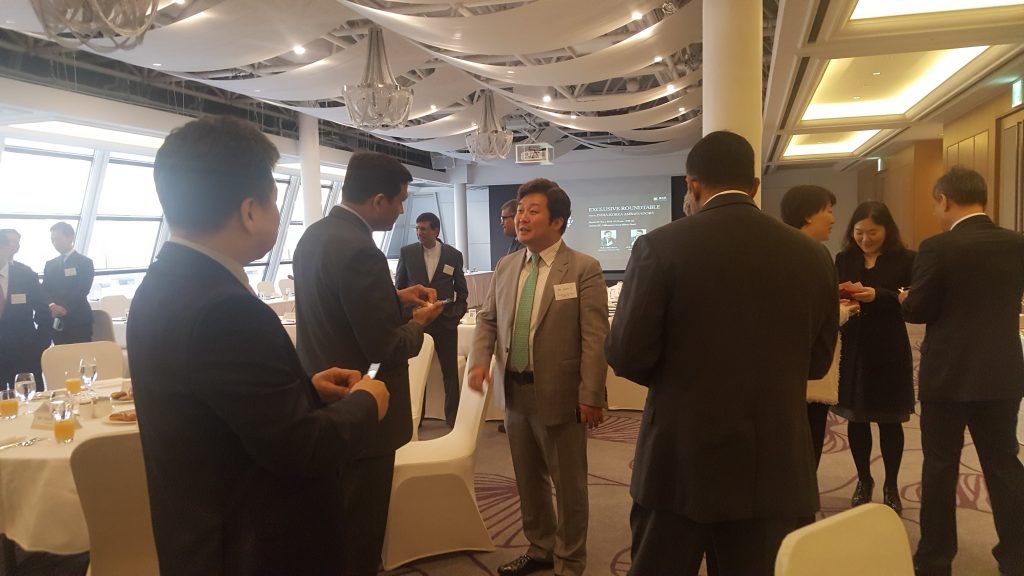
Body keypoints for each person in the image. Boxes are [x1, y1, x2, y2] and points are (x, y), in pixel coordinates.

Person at [127, 114, 390, 576]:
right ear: (249, 211)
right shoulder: (225, 309)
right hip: (253, 547)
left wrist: (305, 389)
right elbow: (301, 448)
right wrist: (367, 402)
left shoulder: (161, 284)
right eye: (274, 201)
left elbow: (221, 410)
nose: (277, 214)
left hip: (199, 535)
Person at [606, 131, 838, 576]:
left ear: (692, 185)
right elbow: (817, 363)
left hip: (678, 460)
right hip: (772, 466)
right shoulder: (813, 255)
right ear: (755, 185)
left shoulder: (659, 246)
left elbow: (628, 355)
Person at [293, 150, 443, 576]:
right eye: (399, 202)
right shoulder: (362, 251)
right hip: (363, 408)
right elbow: (386, 347)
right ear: (378, 200)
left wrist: (394, 298)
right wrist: (419, 323)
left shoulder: (314, 237)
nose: (401, 212)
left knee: (334, 521)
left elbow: (337, 307)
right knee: (361, 528)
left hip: (323, 397)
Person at [468, 178, 608, 576]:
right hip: (515, 392)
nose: (522, 218)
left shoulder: (583, 268)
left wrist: (591, 394)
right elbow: (488, 319)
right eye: (520, 211)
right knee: (528, 480)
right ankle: (541, 547)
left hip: (562, 394)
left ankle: (570, 560)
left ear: (558, 221)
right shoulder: (507, 265)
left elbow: (595, 338)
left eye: (533, 211)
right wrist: (480, 360)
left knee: (569, 484)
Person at [901, 167, 1024, 576]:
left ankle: (935, 560)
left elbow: (918, 309)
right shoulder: (1017, 243)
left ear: (945, 200)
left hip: (948, 376)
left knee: (940, 467)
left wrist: (905, 299)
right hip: (1003, 373)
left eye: (936, 204)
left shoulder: (937, 247)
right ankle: (1017, 555)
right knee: (1004, 464)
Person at [834, 201, 915, 513]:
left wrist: (878, 296)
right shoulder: (845, 258)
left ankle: (891, 484)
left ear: (887, 230)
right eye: (859, 232)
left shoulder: (906, 259)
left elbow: (913, 301)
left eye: (872, 233)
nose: (865, 239)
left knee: (890, 420)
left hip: (889, 345)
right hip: (853, 345)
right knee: (857, 418)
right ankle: (863, 480)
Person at [780, 185, 860, 466]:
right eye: (828, 210)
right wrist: (843, 310)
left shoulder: (786, 249)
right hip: (806, 368)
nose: (833, 219)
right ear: (808, 215)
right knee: (805, 443)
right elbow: (802, 314)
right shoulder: (809, 254)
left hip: (791, 369)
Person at [394, 212, 468, 428]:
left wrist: (456, 314)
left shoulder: (453, 255)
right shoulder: (407, 252)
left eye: (424, 229)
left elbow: (461, 290)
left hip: (445, 322)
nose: (419, 233)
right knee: (418, 371)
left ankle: (453, 420)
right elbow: (399, 288)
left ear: (436, 230)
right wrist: (407, 317)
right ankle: (417, 418)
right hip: (418, 323)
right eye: (417, 229)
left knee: (450, 373)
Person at [0, 231, 50, 391]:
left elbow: (43, 311)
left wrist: (41, 344)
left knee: (31, 397)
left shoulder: (26, 275)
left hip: (24, 351)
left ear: (5, 248)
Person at [42, 222, 94, 344]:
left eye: (58, 239)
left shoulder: (84, 262)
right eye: (52, 240)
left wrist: (64, 307)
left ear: (70, 237)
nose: (55, 243)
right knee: (61, 352)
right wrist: (52, 305)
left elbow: (82, 289)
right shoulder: (50, 264)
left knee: (80, 352)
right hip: (56, 319)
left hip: (78, 318)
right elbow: (45, 288)